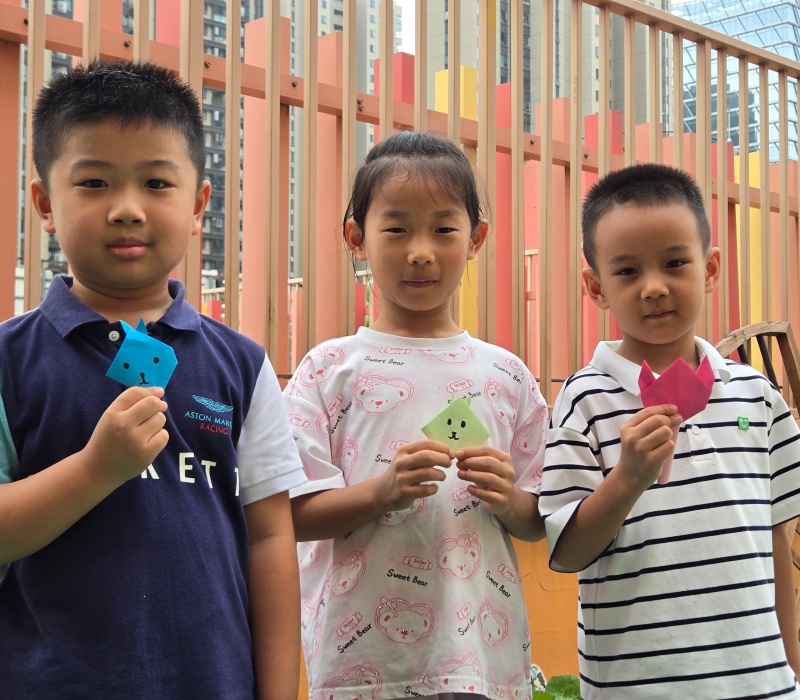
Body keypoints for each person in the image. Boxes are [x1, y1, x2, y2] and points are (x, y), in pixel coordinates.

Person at [0, 59, 306, 699]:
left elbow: (271, 537)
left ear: (198, 206)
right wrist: (96, 469)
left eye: (156, 183)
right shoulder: (9, 359)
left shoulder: (242, 365)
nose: (127, 209)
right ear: (44, 204)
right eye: (93, 183)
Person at [284, 131, 548, 699]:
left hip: (481, 663)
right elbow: (293, 516)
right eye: (397, 229)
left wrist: (508, 498)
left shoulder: (506, 376)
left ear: (476, 238)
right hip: (362, 669)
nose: (421, 251)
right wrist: (382, 492)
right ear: (356, 238)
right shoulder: (328, 370)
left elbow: (540, 519)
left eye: (444, 229)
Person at [539, 163, 800, 698]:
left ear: (710, 268)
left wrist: (791, 664)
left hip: (763, 683)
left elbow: (778, 536)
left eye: (675, 263)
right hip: (636, 686)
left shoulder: (757, 396)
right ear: (596, 287)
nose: (654, 287)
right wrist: (627, 478)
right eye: (628, 271)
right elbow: (566, 553)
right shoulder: (585, 399)